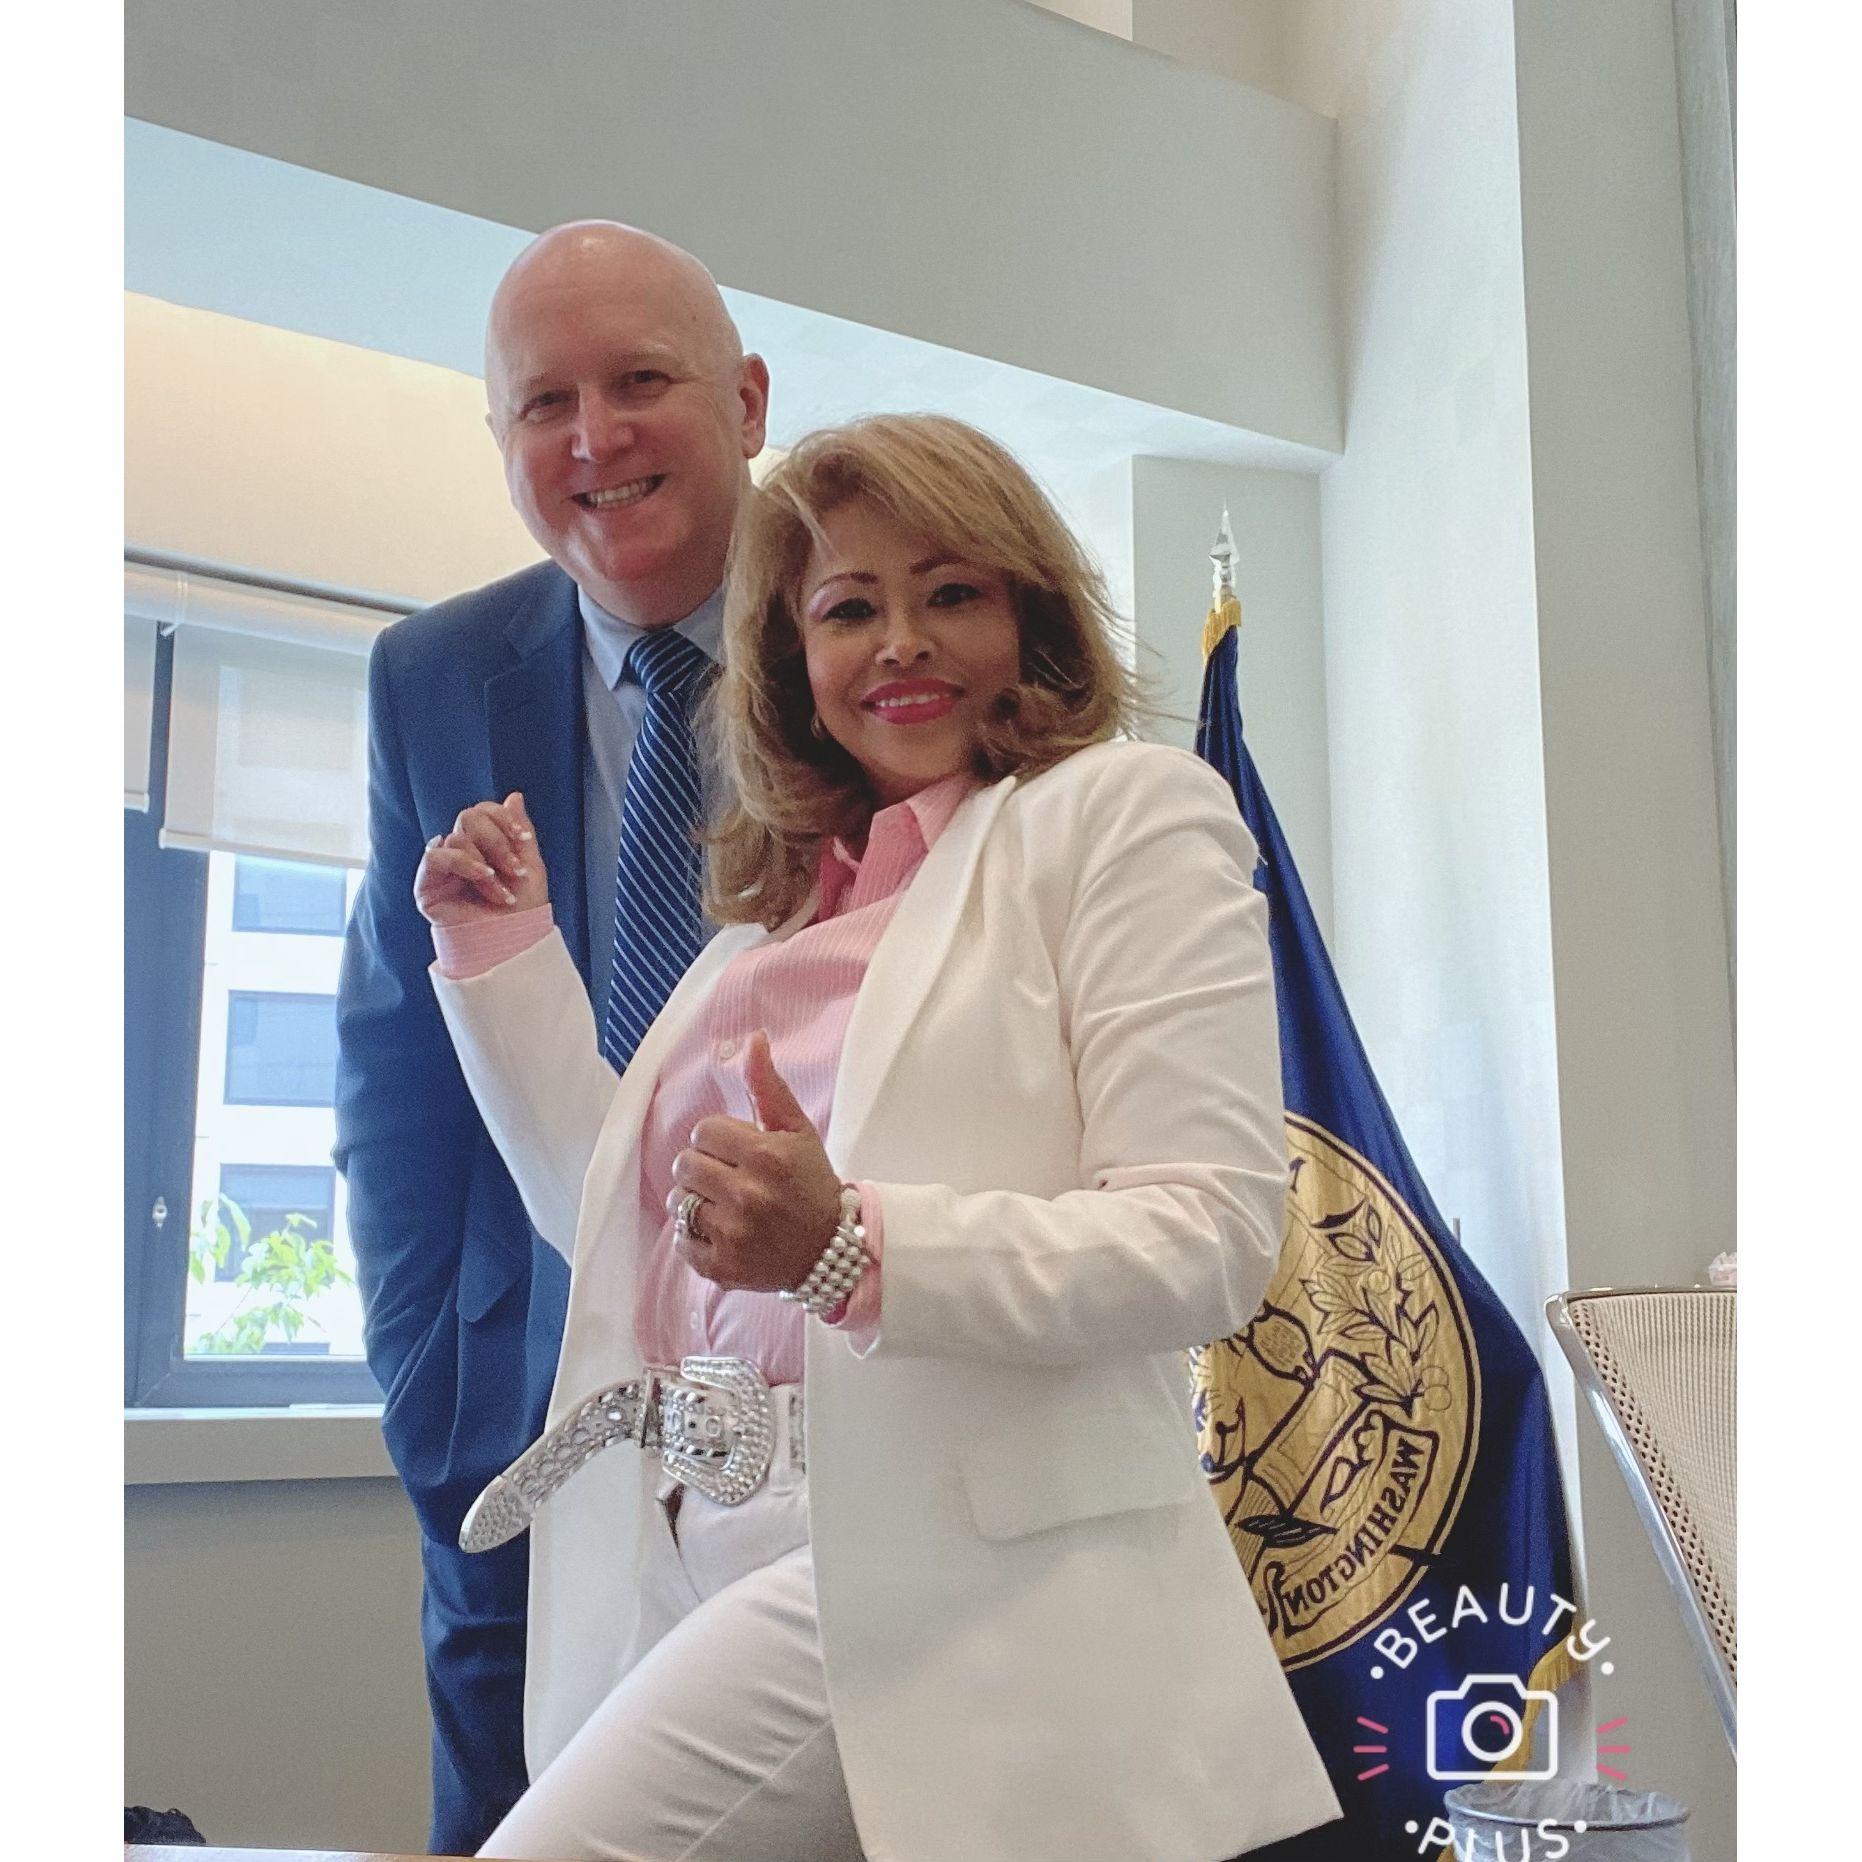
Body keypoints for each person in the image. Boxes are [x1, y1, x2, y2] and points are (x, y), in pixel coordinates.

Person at [415, 415, 1341, 1860]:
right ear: (793, 655)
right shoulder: (770, 919)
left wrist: (852, 1243)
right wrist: (499, 957)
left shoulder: (1123, 815)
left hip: (928, 1558)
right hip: (687, 1537)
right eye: (849, 608)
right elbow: (618, 1226)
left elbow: (1209, 1236)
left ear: (1031, 614)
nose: (900, 641)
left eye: (952, 592)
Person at [333, 221, 769, 1853]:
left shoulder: (869, 643)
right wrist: (430, 1392)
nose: (593, 438)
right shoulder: (429, 673)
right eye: (543, 403)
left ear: (743, 399)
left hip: (805, 1398)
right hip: (514, 1427)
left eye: (640, 381)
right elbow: (393, 1075)